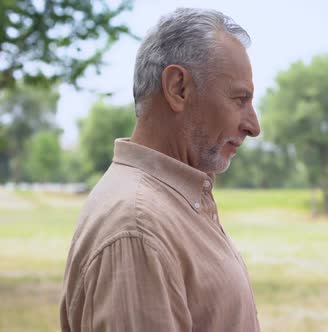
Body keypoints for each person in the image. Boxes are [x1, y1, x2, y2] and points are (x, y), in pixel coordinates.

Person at [60, 8, 261, 331]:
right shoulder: (138, 227)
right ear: (178, 88)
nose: (254, 126)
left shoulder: (166, 205)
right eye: (240, 99)